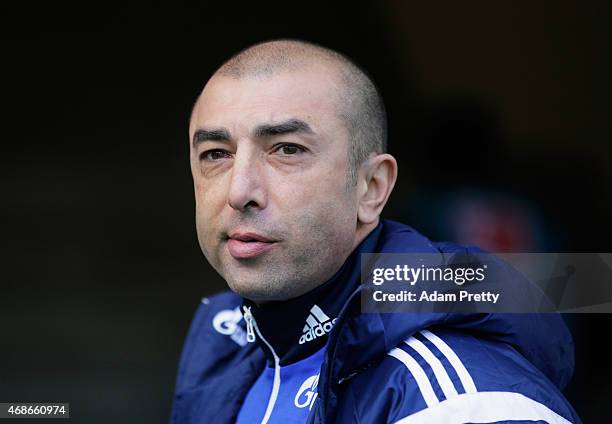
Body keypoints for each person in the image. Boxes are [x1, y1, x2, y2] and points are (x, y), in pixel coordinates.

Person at [170, 39, 581, 423]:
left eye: (288, 149)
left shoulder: (461, 403)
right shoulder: (223, 346)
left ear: (372, 188)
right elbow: (573, 282)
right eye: (216, 154)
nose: (239, 191)